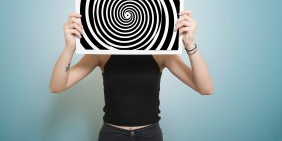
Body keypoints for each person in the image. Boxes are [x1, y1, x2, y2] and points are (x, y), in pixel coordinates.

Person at [49, 9, 213, 141]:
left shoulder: (162, 53)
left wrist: (189, 44)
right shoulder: (101, 52)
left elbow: (205, 88)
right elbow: (57, 86)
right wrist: (69, 47)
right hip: (111, 135)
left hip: (150, 135)